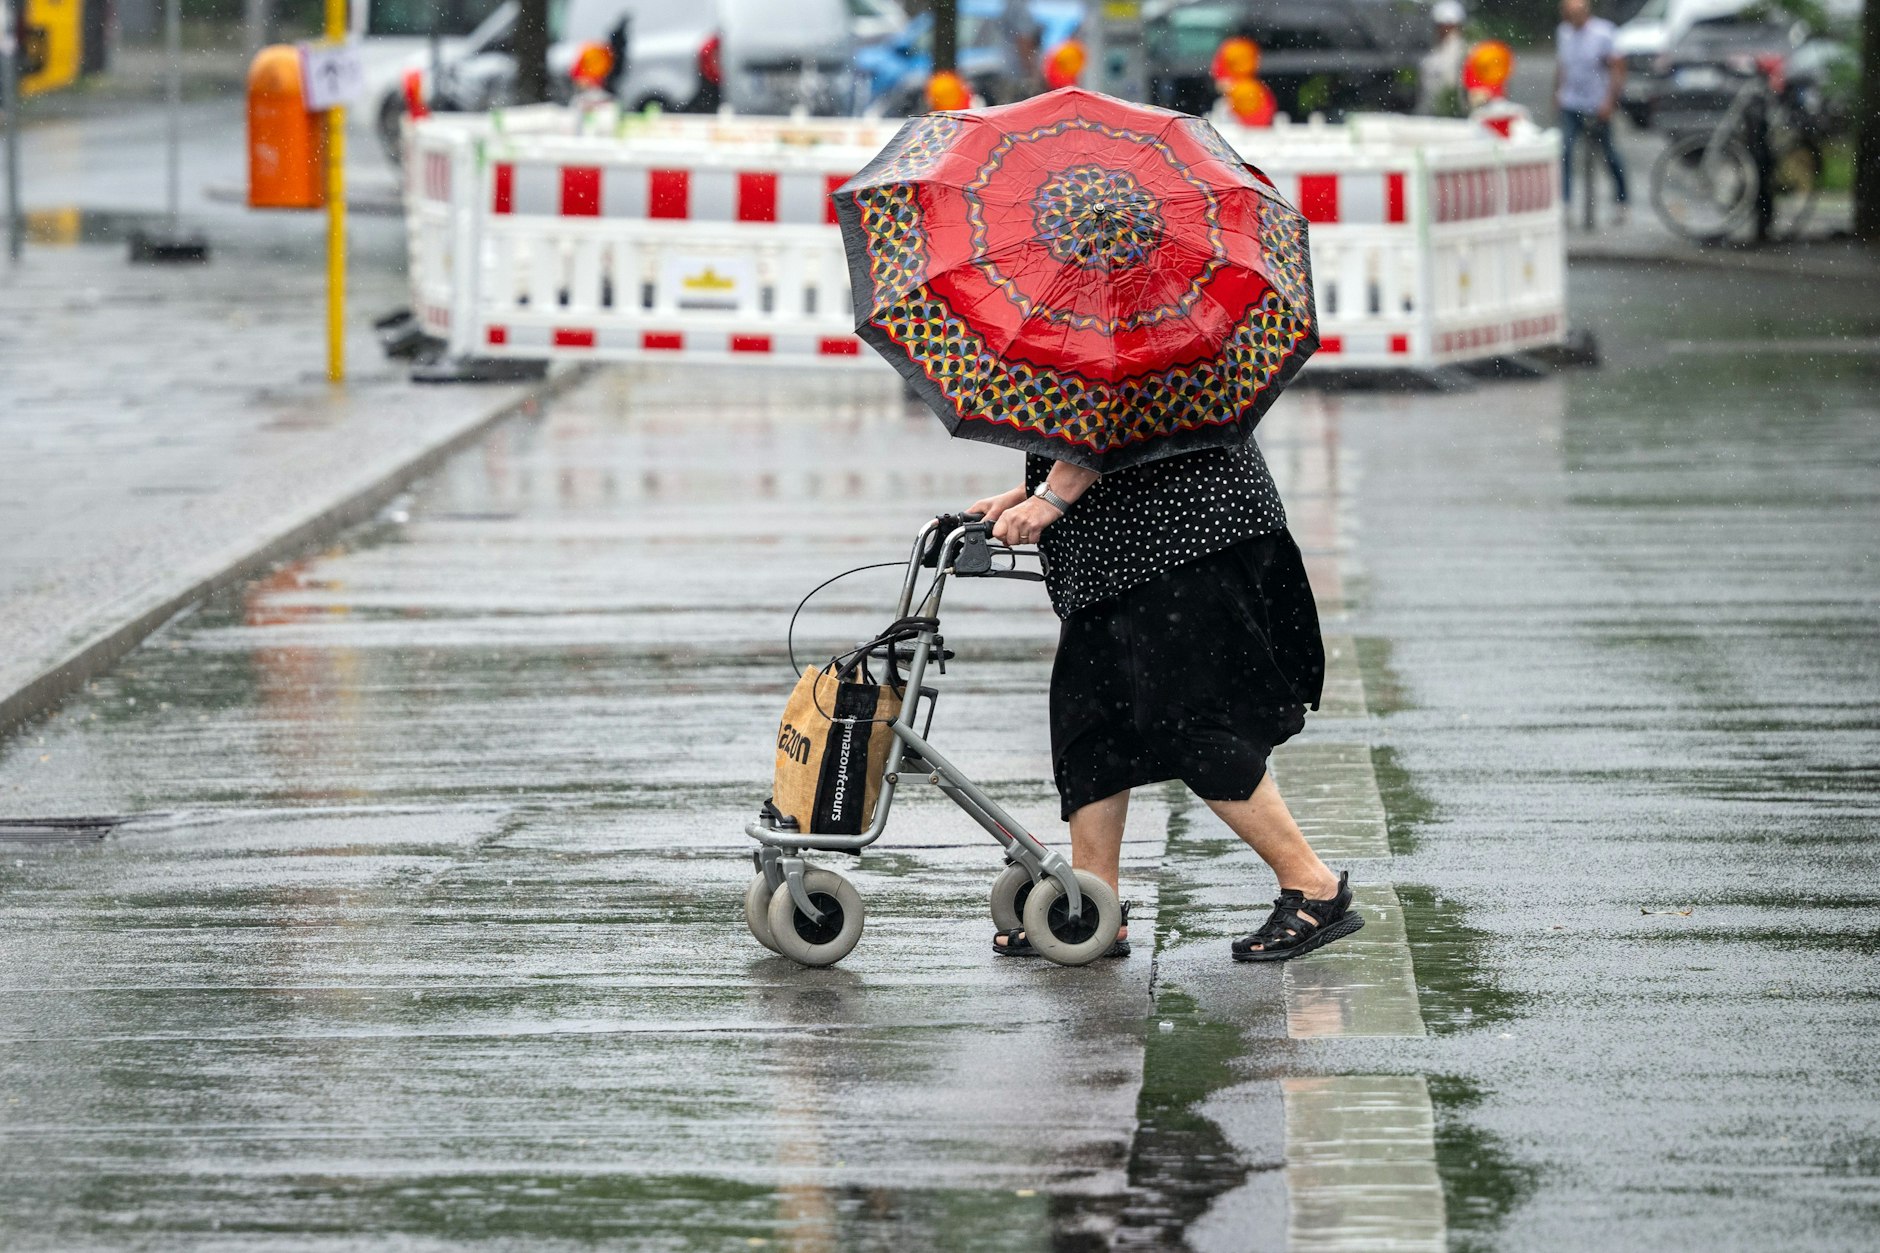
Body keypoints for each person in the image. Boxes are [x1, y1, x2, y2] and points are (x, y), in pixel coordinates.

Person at [967, 441, 1365, 964]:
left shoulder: (1144, 380)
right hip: (1117, 547)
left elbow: (1123, 416)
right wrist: (1029, 492)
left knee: (1184, 718)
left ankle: (1313, 884)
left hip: (1186, 535)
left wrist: (1052, 499)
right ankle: (1093, 906)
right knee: (1090, 724)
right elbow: (1108, 437)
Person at [1555, 0, 1629, 223]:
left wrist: (1610, 101)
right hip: (1571, 101)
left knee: (1609, 153)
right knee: (1565, 150)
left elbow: (1617, 68)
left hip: (1597, 102)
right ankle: (1565, 202)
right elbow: (1562, 66)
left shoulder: (1603, 33)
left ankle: (1622, 200)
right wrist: (1557, 94)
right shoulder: (1564, 33)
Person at [1418, 0, 1468, 116]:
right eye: (1441, 26)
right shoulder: (1430, 55)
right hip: (1429, 116)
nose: (1444, 30)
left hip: (1455, 116)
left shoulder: (1466, 53)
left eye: (1449, 26)